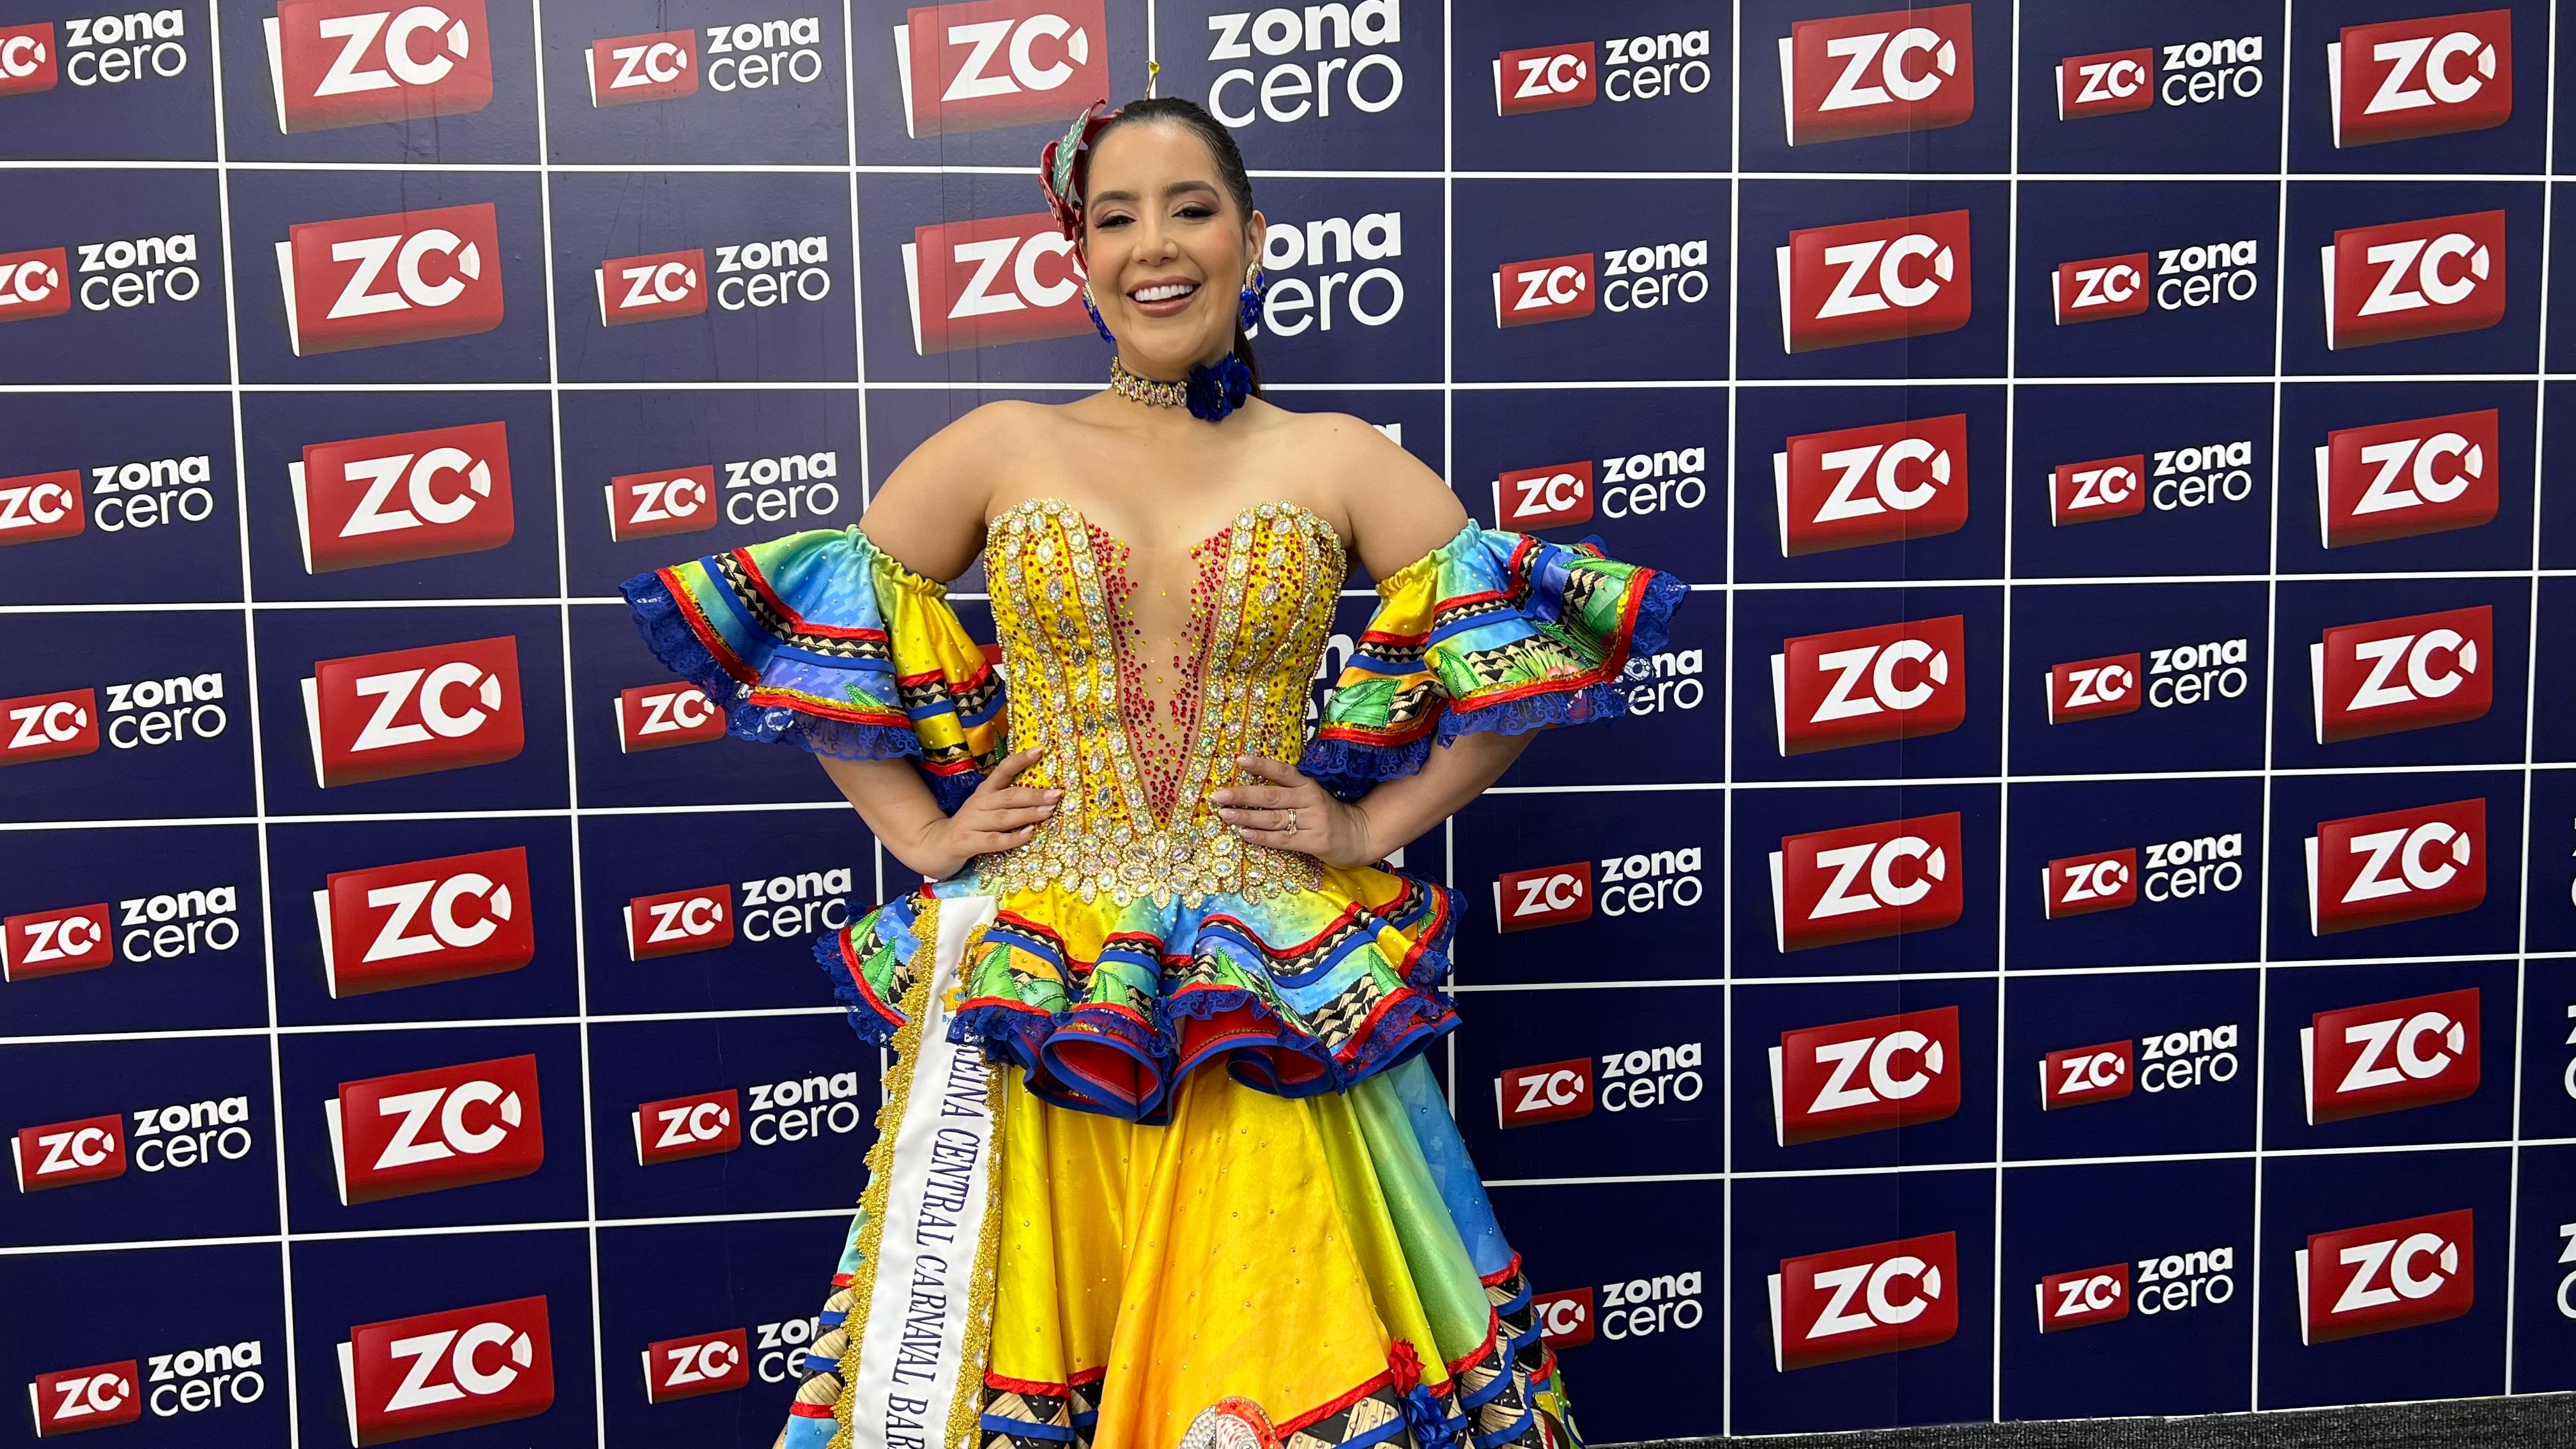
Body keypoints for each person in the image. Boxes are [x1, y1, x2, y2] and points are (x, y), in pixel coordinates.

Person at [622, 93, 1685, 1449]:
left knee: (1268, 1346)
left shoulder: (1340, 454)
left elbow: (1531, 645)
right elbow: (820, 627)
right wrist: (923, 836)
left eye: (1190, 207)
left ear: (1252, 235)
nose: (1154, 245)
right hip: (1044, 982)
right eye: (1114, 216)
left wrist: (1375, 822)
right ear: (1077, 256)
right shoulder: (1005, 441)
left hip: (1267, 985)